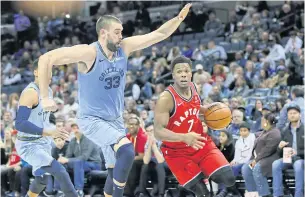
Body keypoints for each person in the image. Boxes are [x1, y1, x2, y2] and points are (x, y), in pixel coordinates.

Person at [37, 4, 192, 197]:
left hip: (115, 119)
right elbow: (45, 59)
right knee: (126, 150)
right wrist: (44, 96)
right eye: (117, 32)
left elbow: (159, 34)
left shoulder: (124, 48)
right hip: (92, 119)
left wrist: (178, 19)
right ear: (104, 33)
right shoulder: (89, 53)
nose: (121, 36)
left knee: (113, 169)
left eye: (121, 32)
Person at [154, 56, 240, 197]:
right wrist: (183, 137)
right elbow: (157, 132)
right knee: (203, 193)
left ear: (191, 73)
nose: (183, 74)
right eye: (179, 71)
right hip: (177, 152)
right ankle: (195, 177)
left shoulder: (193, 87)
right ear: (173, 75)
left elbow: (193, 107)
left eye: (186, 71)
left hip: (200, 144)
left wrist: (209, 112)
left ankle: (201, 172)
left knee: (228, 179)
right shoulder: (166, 98)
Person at [14, 59, 77, 197]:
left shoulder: (48, 91)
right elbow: (20, 123)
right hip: (28, 143)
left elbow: (42, 118)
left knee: (42, 179)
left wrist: (55, 132)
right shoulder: (30, 93)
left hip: (42, 140)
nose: (49, 74)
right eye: (45, 70)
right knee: (60, 171)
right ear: (36, 72)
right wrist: (48, 132)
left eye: (50, 71)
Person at [272, 104, 304, 197]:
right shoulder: (284, 130)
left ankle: (299, 195)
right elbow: (279, 154)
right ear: (287, 116)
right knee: (276, 164)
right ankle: (277, 194)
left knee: (298, 165)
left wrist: (297, 152)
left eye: (295, 113)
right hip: (288, 158)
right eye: (290, 113)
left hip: (301, 158)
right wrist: (280, 147)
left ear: (300, 115)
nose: (292, 115)